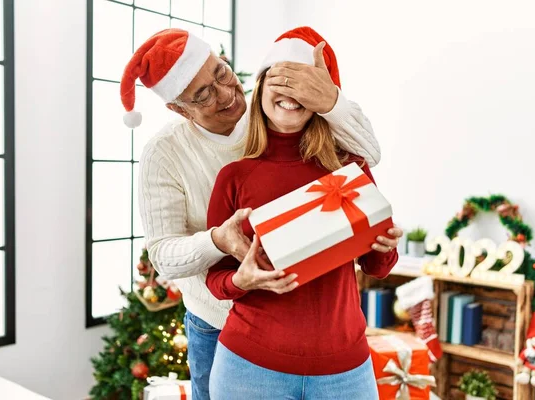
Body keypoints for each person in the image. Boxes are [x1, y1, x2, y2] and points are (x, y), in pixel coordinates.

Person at [121, 28, 383, 400]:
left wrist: (330, 101)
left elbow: (366, 157)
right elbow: (163, 255)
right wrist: (217, 240)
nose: (227, 94)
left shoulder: (278, 113)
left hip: (302, 332)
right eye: (204, 95)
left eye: (222, 73)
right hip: (218, 325)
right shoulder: (165, 155)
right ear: (179, 109)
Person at [205, 27, 403, 399]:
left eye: (303, 83)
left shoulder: (350, 166)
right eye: (280, 80)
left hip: (345, 373)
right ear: (261, 88)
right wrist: (241, 282)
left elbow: (377, 267)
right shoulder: (233, 176)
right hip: (248, 370)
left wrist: (383, 244)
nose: (291, 94)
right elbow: (216, 280)